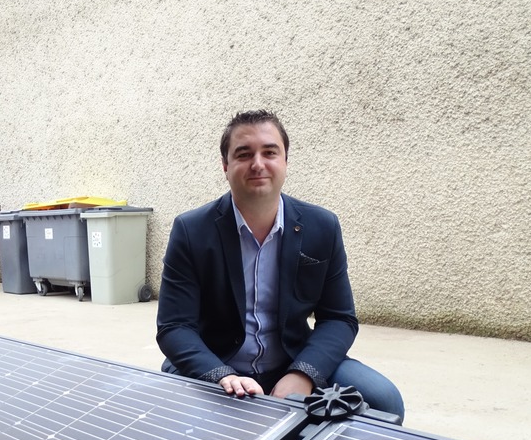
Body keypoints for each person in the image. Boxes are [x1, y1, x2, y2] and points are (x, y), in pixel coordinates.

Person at [156, 109, 404, 420]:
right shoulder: (191, 230)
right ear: (225, 166)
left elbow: (339, 319)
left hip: (293, 359)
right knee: (171, 416)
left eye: (269, 152)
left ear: (285, 160)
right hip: (216, 362)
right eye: (244, 154)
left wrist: (303, 373)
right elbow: (174, 327)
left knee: (385, 401)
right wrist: (221, 374)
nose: (258, 164)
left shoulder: (322, 226)